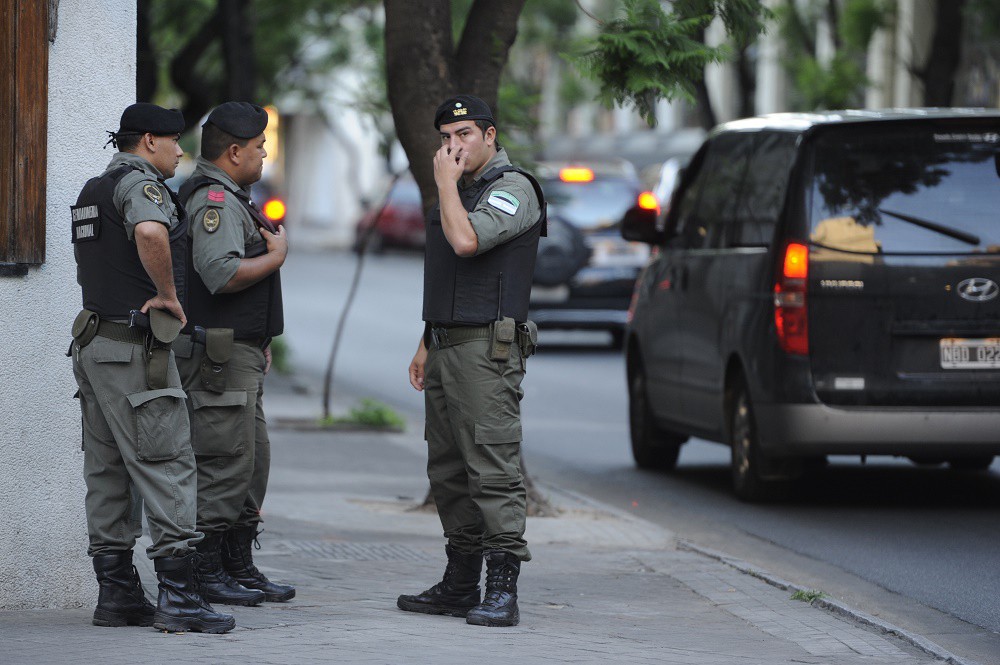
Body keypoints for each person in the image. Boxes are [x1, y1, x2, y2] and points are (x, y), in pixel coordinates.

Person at [70, 102, 235, 634]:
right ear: (147, 142)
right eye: (172, 141)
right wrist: (167, 295)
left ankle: (117, 595)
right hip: (135, 351)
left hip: (96, 346)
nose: (180, 150)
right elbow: (149, 232)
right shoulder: (139, 186)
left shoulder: (91, 189)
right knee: (168, 464)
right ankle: (181, 599)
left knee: (109, 470)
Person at [397, 94, 546, 627]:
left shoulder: (513, 189)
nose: (452, 147)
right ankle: (460, 583)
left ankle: (502, 589)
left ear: (490, 134)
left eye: (462, 135)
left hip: (489, 348)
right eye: (444, 138)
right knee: (449, 468)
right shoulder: (461, 190)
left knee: (492, 467)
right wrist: (426, 340)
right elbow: (449, 278)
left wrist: (442, 185)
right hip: (447, 342)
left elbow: (466, 244)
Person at [173, 101, 294, 606]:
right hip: (217, 357)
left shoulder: (232, 196)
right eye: (260, 147)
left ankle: (235, 561)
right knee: (224, 460)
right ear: (234, 151)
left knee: (251, 460)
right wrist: (276, 256)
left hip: (238, 353)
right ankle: (204, 570)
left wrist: (257, 339)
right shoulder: (215, 200)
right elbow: (219, 274)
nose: (265, 155)